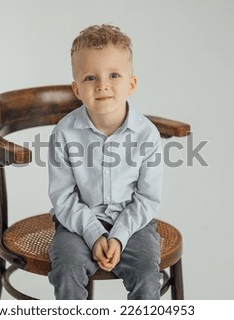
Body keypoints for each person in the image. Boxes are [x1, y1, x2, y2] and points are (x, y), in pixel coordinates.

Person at [48, 24, 163, 300]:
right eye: (90, 78)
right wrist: (94, 234)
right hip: (76, 223)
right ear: (76, 89)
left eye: (114, 75)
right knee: (67, 267)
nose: (102, 85)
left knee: (147, 274)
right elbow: (63, 197)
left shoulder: (147, 135)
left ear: (131, 84)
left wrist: (119, 235)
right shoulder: (64, 133)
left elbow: (147, 198)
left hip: (135, 223)